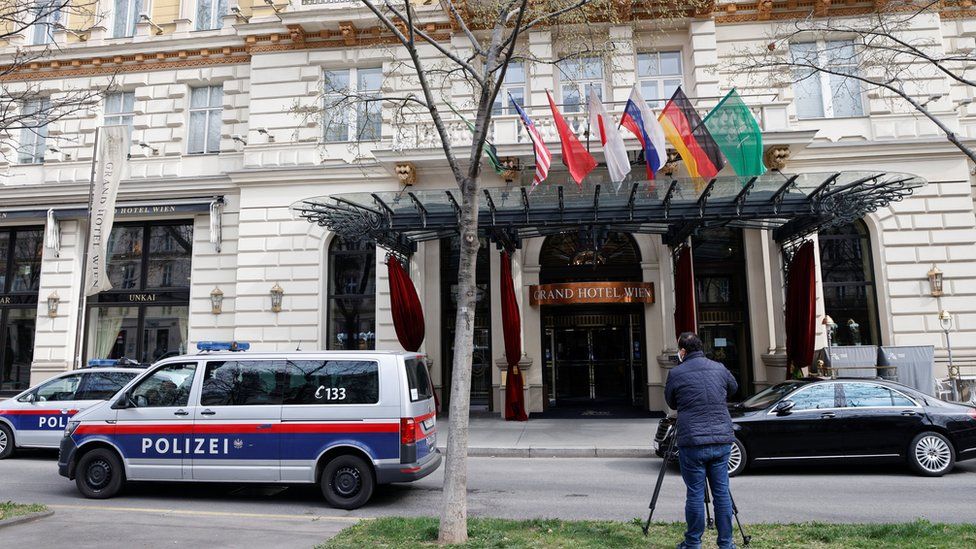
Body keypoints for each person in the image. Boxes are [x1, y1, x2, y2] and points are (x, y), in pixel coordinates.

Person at [664, 331, 739, 549]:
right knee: (722, 493)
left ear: (683, 351)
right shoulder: (719, 368)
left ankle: (693, 543)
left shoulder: (676, 373)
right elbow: (733, 388)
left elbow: (672, 402)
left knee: (695, 494)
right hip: (721, 438)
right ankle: (726, 543)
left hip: (693, 440)